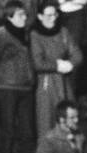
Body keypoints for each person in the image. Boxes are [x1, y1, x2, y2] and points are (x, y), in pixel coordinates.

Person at [0, 1, 37, 153]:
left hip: (26, 87)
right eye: (20, 15)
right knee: (8, 129)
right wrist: (1, 80)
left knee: (27, 130)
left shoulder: (26, 33)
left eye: (25, 14)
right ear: (10, 17)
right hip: (8, 88)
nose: (24, 18)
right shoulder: (0, 35)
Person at [30, 1, 82, 140]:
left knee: (68, 116)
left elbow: (76, 54)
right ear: (40, 16)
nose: (53, 18)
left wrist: (70, 64)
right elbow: (38, 62)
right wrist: (56, 66)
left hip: (64, 82)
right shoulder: (35, 35)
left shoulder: (63, 32)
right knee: (46, 119)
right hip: (46, 83)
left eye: (55, 14)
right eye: (48, 15)